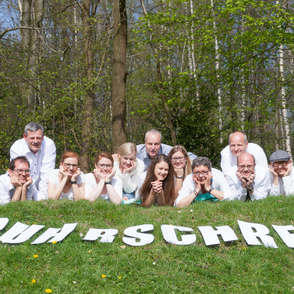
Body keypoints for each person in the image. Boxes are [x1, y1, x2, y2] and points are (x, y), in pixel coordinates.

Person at [10, 122, 56, 200]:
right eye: (32, 138)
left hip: (42, 187)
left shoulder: (49, 145)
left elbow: (47, 172)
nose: (35, 141)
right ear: (25, 137)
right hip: (22, 185)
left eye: (38, 138)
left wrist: (42, 198)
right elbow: (19, 173)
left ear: (43, 137)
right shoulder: (17, 147)